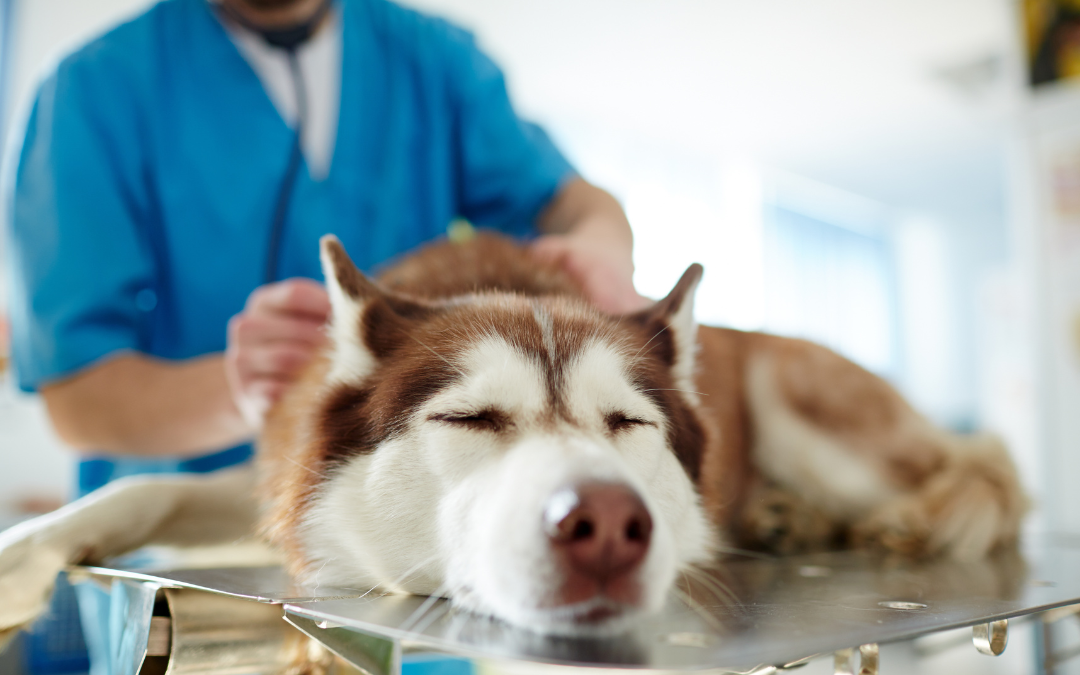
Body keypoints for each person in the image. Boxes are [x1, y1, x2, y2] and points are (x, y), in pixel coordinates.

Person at [5, 0, 644, 498]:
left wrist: (599, 251)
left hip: (406, 527)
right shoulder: (93, 91)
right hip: (184, 547)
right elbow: (78, 396)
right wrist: (244, 391)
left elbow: (575, 203)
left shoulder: (435, 61)